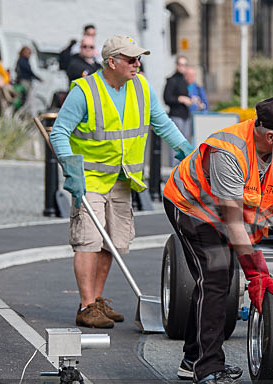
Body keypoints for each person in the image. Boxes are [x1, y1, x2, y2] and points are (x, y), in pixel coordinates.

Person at [161, 97, 273, 384]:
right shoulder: (229, 150)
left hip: (227, 212)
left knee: (217, 280)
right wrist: (255, 272)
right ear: (272, 136)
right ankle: (206, 371)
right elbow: (232, 222)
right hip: (192, 207)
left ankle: (193, 359)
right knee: (218, 277)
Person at [49, 35, 193, 329]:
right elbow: (59, 132)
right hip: (89, 180)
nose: (137, 64)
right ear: (112, 62)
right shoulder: (85, 91)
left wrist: (186, 148)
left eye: (138, 59)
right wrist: (72, 170)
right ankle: (86, 305)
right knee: (88, 241)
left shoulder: (140, 87)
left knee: (112, 243)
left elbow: (161, 123)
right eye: (131, 59)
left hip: (123, 178)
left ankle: (96, 301)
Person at [163, 55, 193, 155]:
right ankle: (174, 168)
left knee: (186, 143)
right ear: (176, 65)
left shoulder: (185, 81)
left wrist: (191, 100)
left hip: (185, 115)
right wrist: (180, 99)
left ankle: (183, 167)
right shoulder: (172, 80)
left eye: (184, 65)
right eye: (180, 64)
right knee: (176, 144)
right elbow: (167, 98)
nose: (182, 67)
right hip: (176, 116)